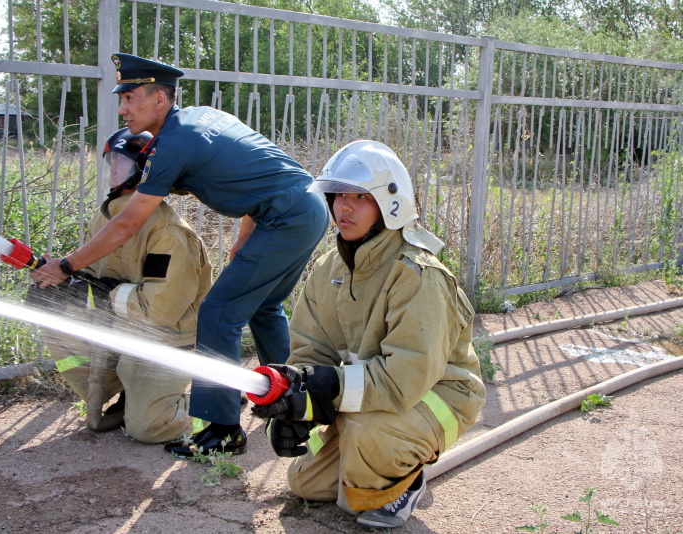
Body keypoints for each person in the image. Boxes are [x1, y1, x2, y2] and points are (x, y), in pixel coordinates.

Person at [31, 53, 329, 456]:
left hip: (285, 217)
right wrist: (244, 236)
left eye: (131, 98)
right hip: (304, 208)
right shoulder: (203, 117)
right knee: (265, 308)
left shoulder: (170, 144)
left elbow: (126, 224)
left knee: (219, 313)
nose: (122, 109)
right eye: (122, 99)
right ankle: (294, 400)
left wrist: (66, 266)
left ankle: (223, 428)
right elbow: (263, 175)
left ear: (160, 99)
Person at [252, 140, 486, 528]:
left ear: (391, 203)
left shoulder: (417, 275)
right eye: (338, 195)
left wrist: (329, 385)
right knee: (305, 483)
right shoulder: (328, 269)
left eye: (360, 197)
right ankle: (376, 463)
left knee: (365, 448)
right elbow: (312, 350)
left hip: (438, 396)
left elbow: (404, 377)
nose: (343, 207)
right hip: (379, 394)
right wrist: (299, 406)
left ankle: (406, 481)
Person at [27, 127, 213, 444]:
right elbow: (95, 279)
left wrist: (102, 295)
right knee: (53, 311)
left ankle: (212, 403)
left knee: (147, 428)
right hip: (120, 330)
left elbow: (161, 311)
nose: (113, 167)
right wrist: (61, 282)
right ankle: (130, 391)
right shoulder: (104, 221)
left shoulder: (168, 233)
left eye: (122, 161)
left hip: (164, 340)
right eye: (110, 159)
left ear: (145, 171)